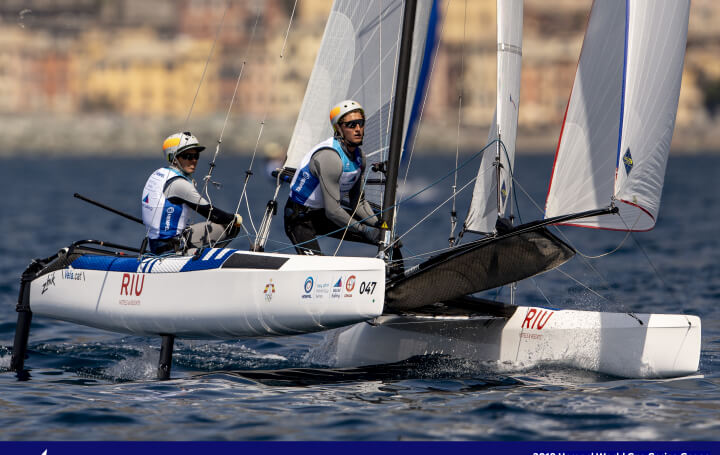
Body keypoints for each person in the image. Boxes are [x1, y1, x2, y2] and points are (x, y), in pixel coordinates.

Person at [284, 100, 382, 255]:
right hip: (301, 217)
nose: (358, 129)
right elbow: (333, 211)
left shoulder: (360, 157)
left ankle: (394, 268)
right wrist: (364, 230)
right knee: (317, 264)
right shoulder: (330, 157)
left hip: (323, 215)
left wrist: (379, 226)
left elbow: (359, 203)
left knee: (385, 238)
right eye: (351, 125)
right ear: (338, 128)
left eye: (361, 123)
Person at [141, 131, 243, 254]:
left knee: (226, 225)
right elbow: (213, 215)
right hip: (171, 250)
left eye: (196, 156)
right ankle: (207, 259)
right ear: (174, 158)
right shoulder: (180, 184)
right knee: (231, 225)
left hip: (156, 243)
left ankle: (201, 254)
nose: (194, 160)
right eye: (188, 156)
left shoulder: (159, 173)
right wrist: (235, 218)